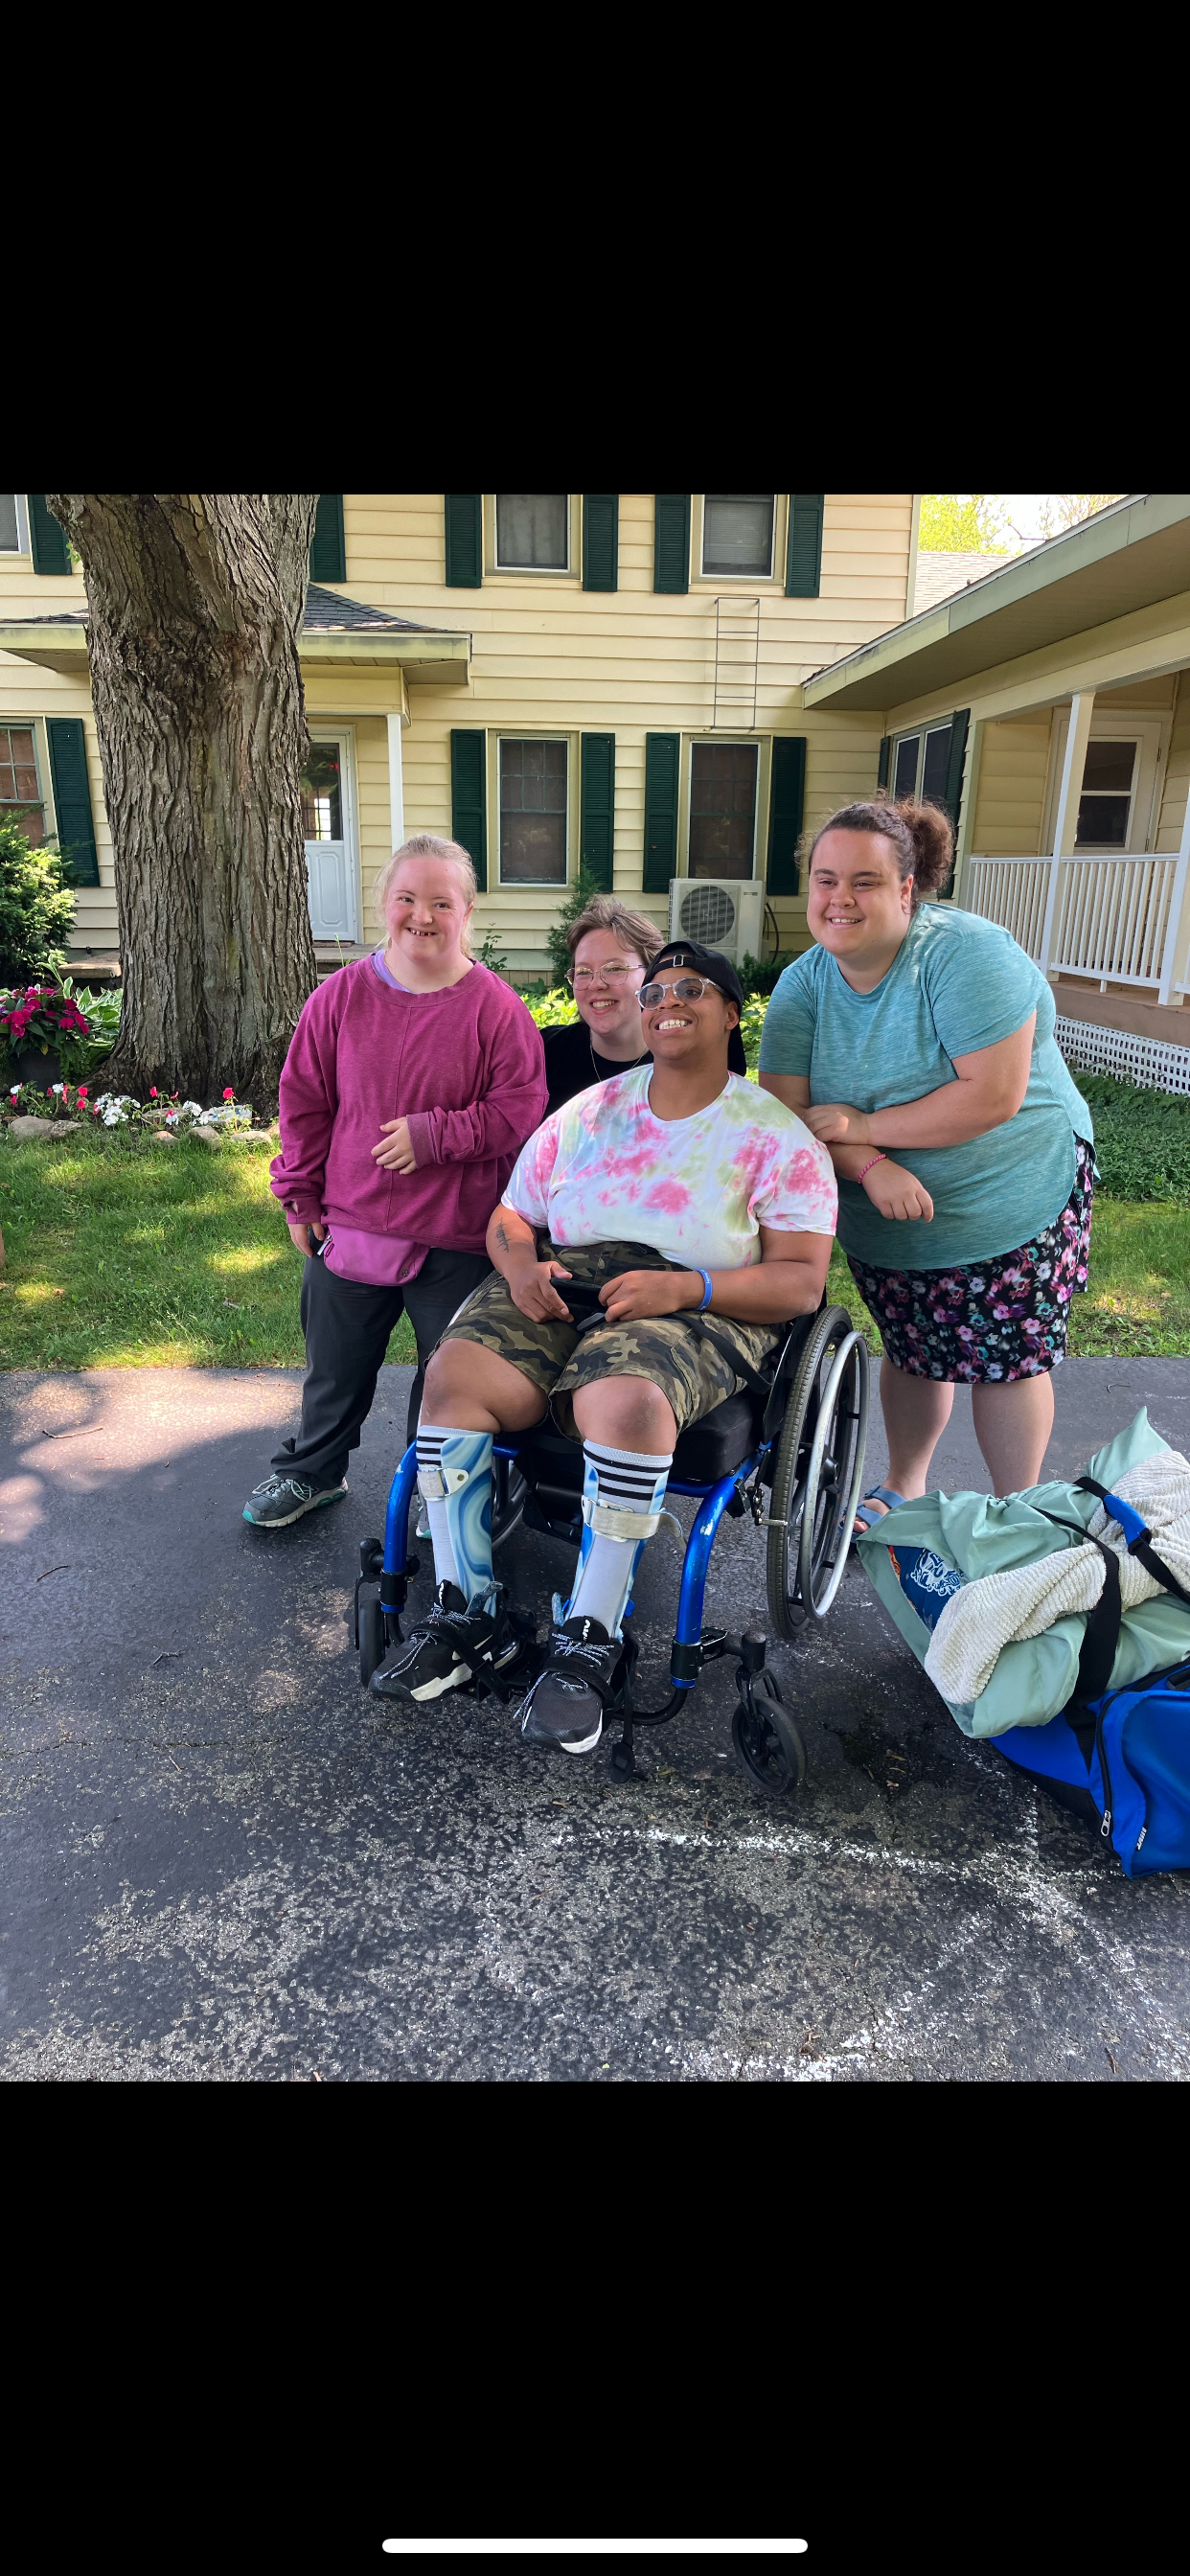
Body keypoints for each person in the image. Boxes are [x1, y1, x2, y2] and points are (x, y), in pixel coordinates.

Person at [370, 938, 837, 1751]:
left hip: (700, 1297)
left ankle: (591, 1635)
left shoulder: (775, 1136)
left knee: (621, 1403)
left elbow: (800, 1282)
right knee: (454, 1376)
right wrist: (517, 1267)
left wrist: (685, 1288)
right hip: (565, 1280)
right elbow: (513, 1215)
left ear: (732, 1014)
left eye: (693, 988)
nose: (668, 1000)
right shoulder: (590, 1110)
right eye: (656, 989)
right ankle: (465, 1613)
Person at [758, 795, 1096, 1530]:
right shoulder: (804, 984)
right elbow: (784, 1121)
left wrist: (862, 1123)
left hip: (1011, 1187)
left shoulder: (968, 955)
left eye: (865, 881)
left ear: (907, 889)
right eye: (824, 880)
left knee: (1009, 1357)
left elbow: (993, 1097)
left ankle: (1016, 1515)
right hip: (886, 1207)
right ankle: (904, 1485)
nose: (839, 899)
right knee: (912, 1346)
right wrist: (871, 1162)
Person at [242, 836, 547, 1529]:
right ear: (384, 904)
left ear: (466, 910)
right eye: (407, 898)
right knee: (333, 1370)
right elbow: (305, 1102)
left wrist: (434, 1136)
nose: (422, 916)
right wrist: (299, 1195)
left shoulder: (497, 1009)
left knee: (449, 1379)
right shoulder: (339, 997)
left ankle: (442, 1494)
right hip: (351, 1226)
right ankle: (312, 1473)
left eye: (441, 902)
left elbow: (520, 1111)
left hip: (456, 1233)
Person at [542, 892, 748, 1116]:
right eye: (583, 972)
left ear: (652, 976)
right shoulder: (544, 1053)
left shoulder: (682, 1059)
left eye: (614, 969)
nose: (595, 984)